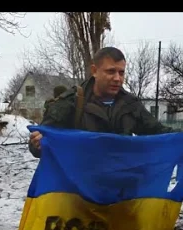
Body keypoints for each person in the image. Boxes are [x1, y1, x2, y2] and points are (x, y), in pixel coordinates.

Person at [28, 47, 174, 158]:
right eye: (111, 71)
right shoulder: (71, 102)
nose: (117, 78)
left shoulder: (131, 105)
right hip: (80, 190)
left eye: (121, 72)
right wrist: (37, 145)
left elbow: (158, 132)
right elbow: (43, 139)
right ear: (94, 71)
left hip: (121, 189)